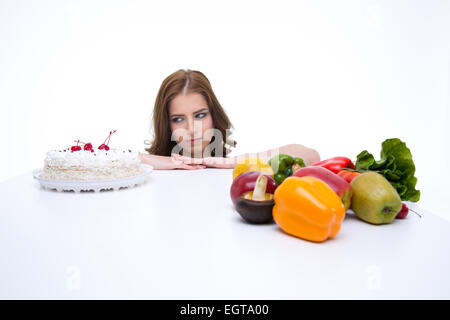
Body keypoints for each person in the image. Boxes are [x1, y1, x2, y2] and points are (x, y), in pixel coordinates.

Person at [139, 69, 320, 170]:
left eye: (200, 115)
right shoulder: (147, 170)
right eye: (178, 119)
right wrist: (157, 161)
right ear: (167, 124)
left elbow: (311, 156)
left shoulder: (231, 168)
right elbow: (111, 157)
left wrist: (232, 162)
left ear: (214, 115)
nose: (191, 128)